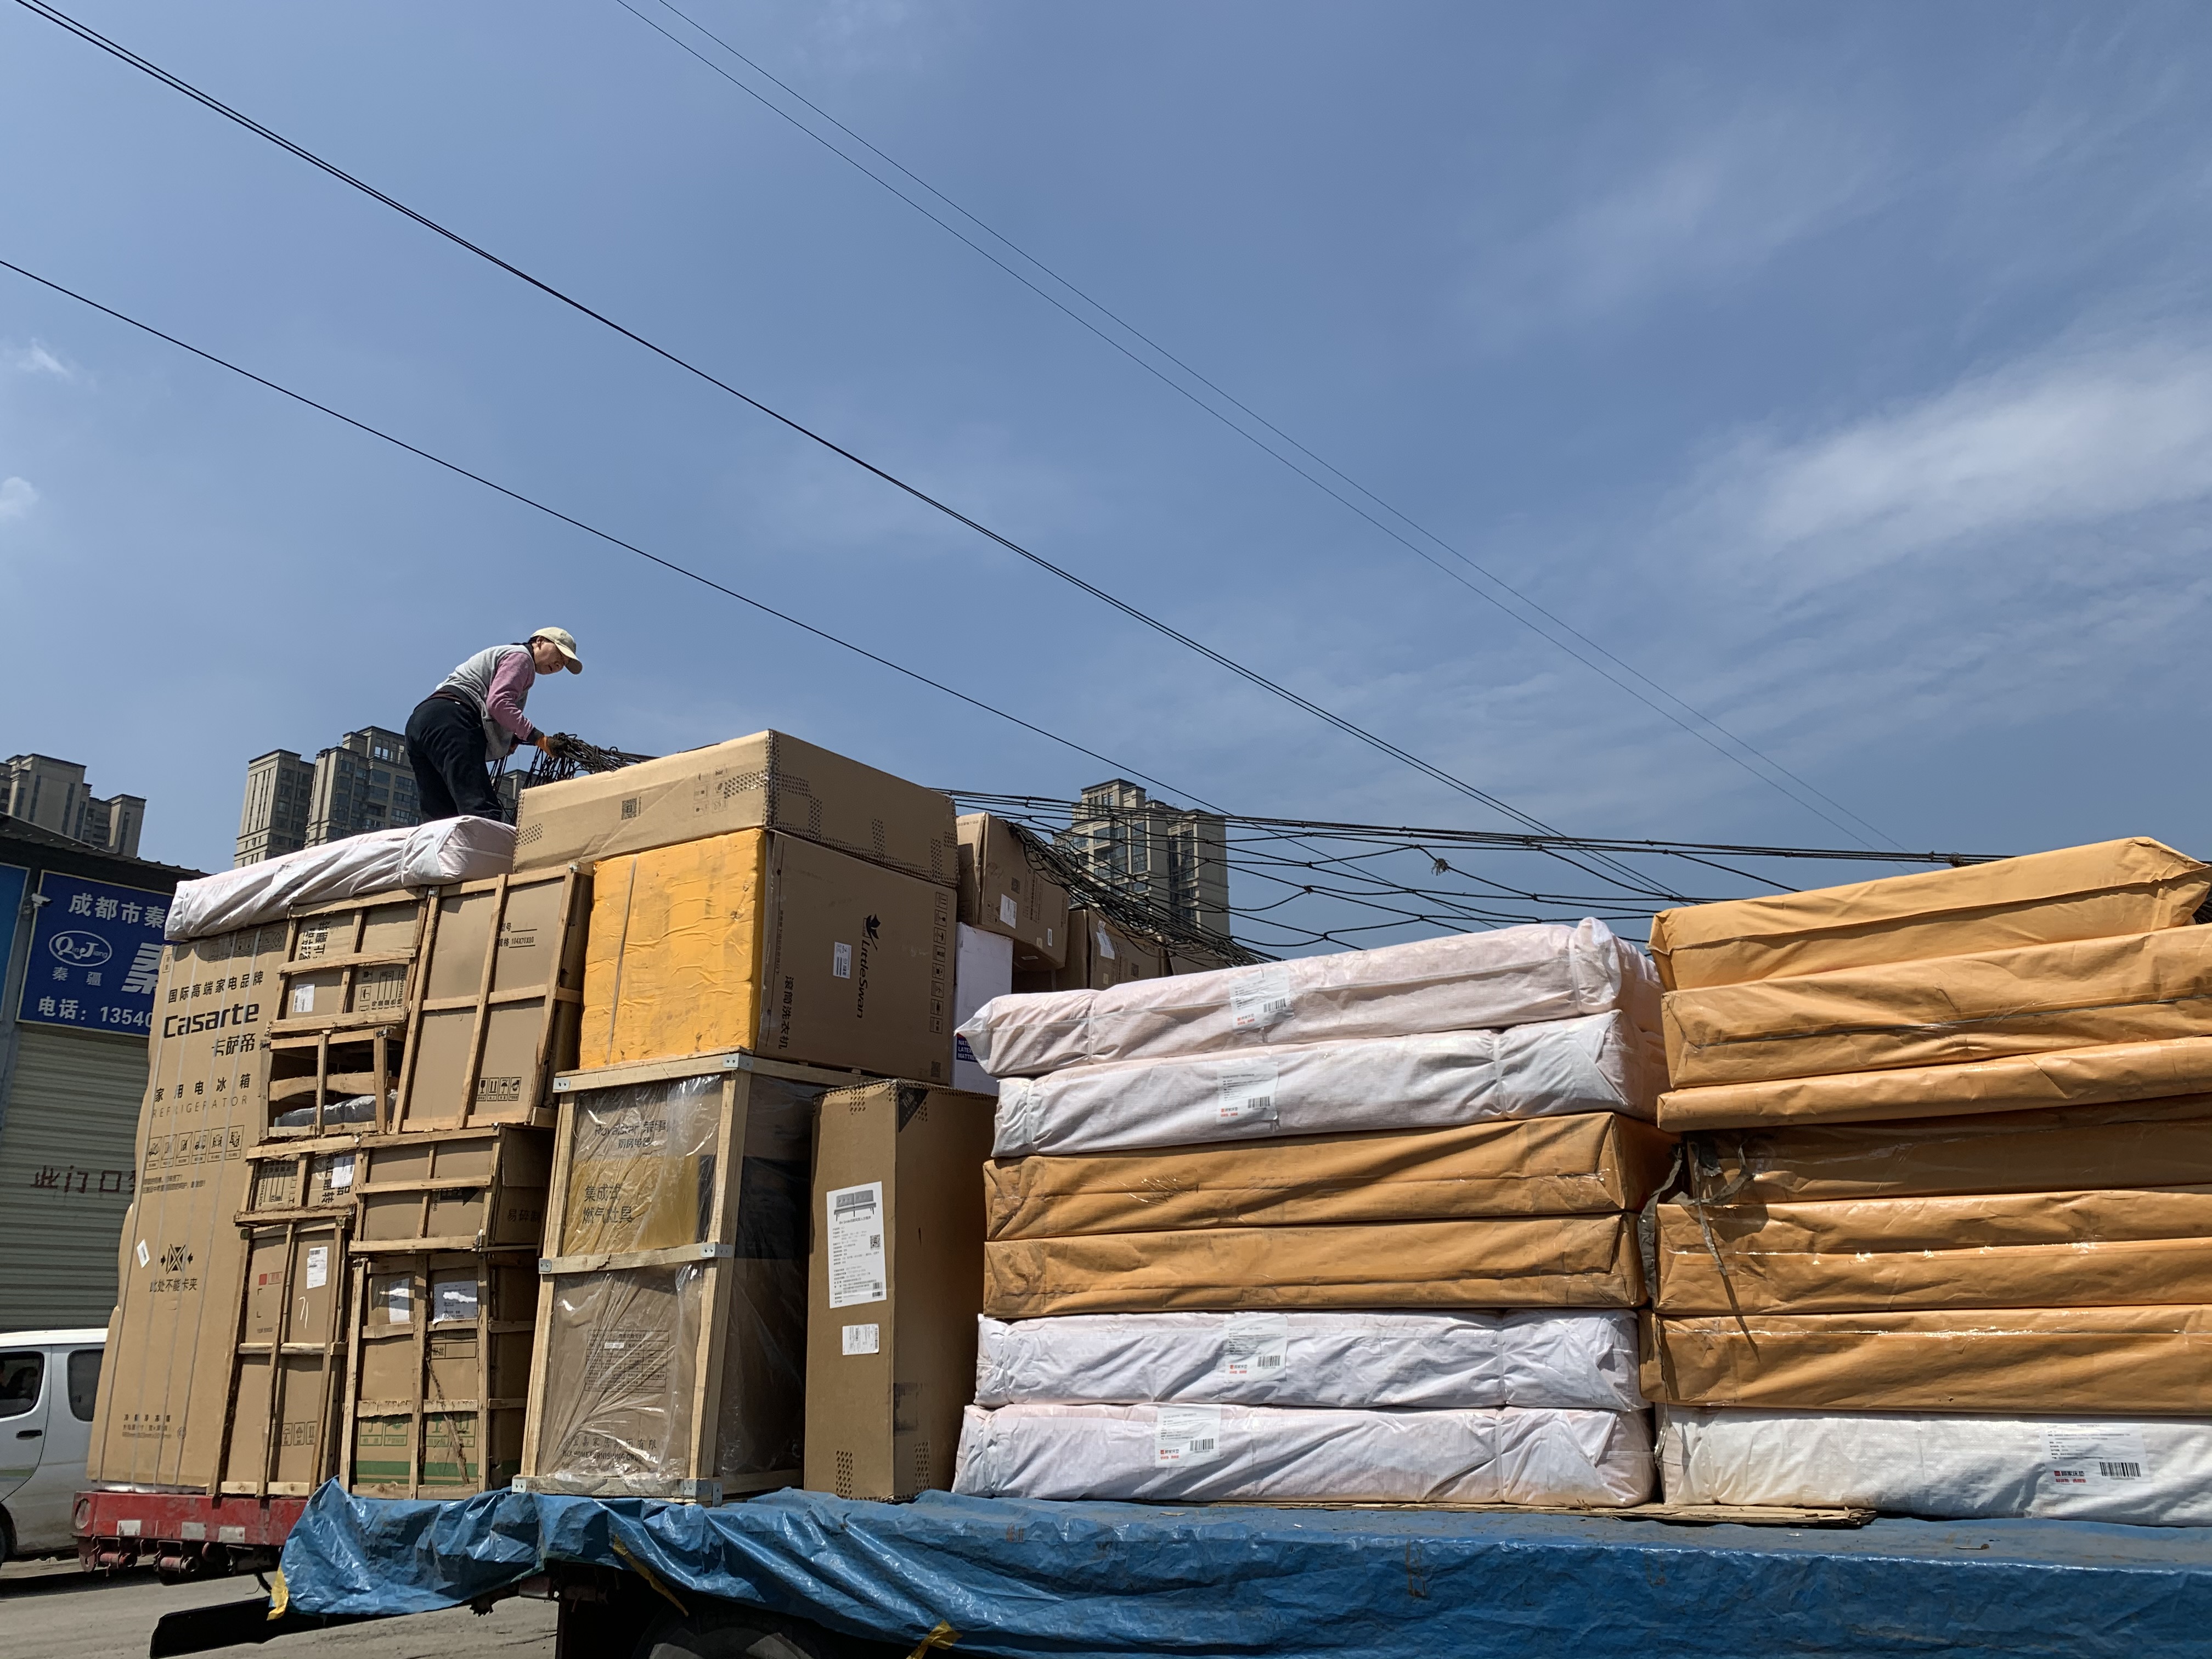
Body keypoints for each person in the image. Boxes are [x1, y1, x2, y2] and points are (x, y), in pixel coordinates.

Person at [405, 629, 583, 821]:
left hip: (422, 721)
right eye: (559, 655)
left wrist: (510, 738)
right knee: (482, 812)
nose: (559, 665)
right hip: (453, 718)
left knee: (441, 817)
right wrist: (538, 738)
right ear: (540, 641)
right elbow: (499, 703)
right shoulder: (522, 659)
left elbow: (493, 707)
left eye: (563, 664)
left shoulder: (507, 656)